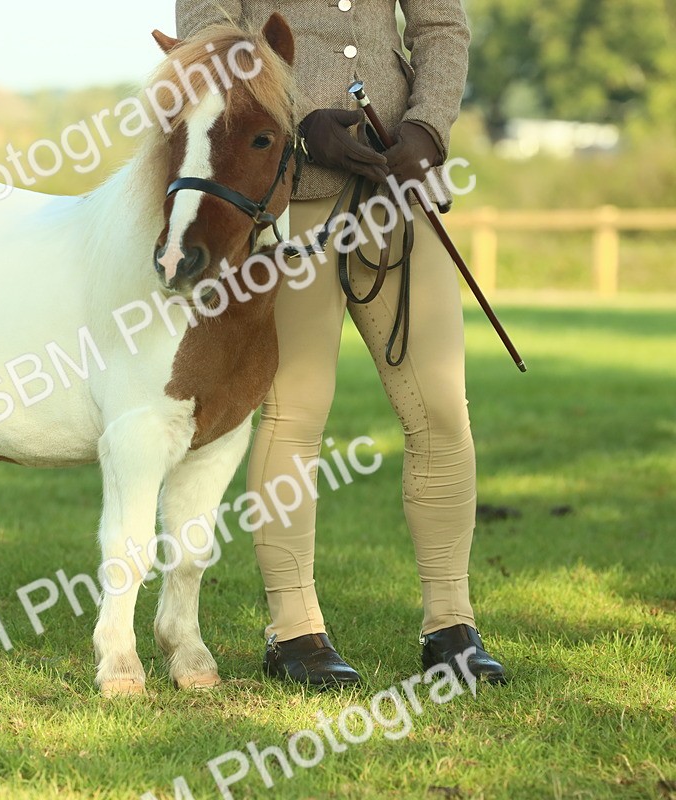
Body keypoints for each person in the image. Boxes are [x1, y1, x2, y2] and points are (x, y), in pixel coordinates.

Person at [174, 0, 506, 686]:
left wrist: (427, 129)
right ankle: (293, 632)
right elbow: (207, 35)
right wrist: (292, 126)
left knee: (441, 407)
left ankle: (452, 625)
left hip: (396, 181)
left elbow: (441, 26)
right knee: (296, 410)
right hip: (288, 191)